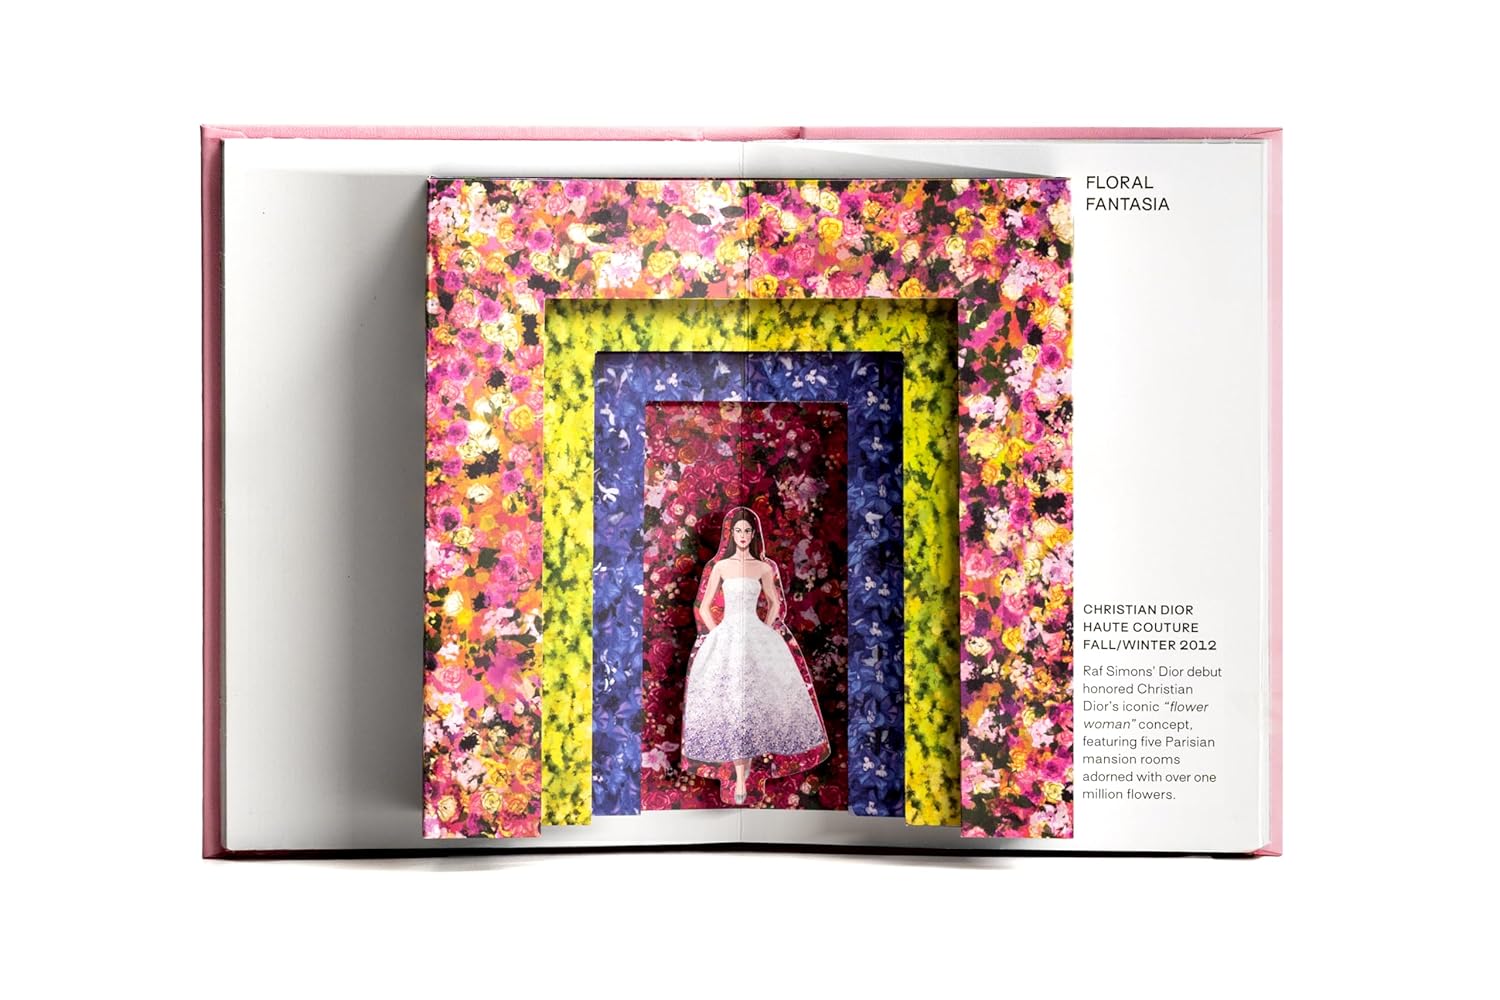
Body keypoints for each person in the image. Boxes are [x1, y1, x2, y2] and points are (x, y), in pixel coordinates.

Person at [679, 506, 830, 805]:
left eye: (747, 530)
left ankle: (745, 774)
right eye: (738, 530)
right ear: (731, 534)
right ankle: (738, 777)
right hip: (728, 635)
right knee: (733, 701)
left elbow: (774, 602)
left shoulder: (763, 567)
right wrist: (718, 633)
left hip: (755, 634)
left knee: (752, 701)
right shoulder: (721, 567)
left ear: (753, 534)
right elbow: (704, 606)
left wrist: (767, 628)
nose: (743, 535)